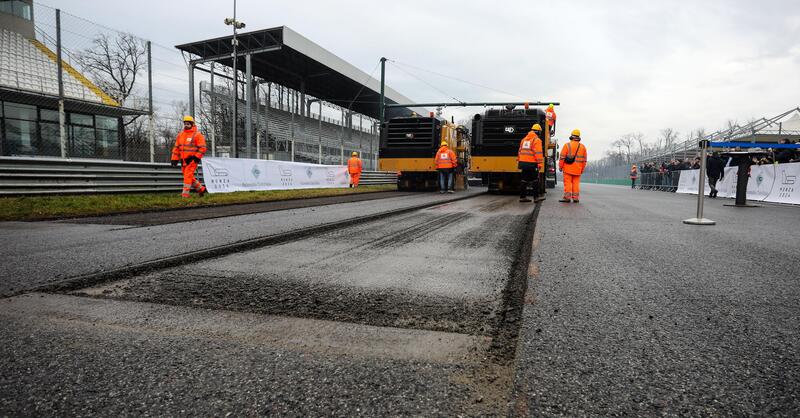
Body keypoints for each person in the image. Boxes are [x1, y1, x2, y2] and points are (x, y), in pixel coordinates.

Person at [171, 116, 207, 198]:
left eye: (188, 124)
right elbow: (176, 148)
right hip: (183, 161)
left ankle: (185, 194)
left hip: (192, 160)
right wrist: (174, 159)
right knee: (189, 176)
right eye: (185, 124)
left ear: (192, 124)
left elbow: (203, 147)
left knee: (187, 176)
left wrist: (196, 157)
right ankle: (201, 189)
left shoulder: (197, 135)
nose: (186, 125)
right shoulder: (180, 135)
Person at [518, 124, 545, 202]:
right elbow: (538, 153)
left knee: (524, 179)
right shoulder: (537, 140)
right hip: (532, 163)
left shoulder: (524, 140)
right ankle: (536, 198)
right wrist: (540, 164)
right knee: (535, 180)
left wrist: (520, 161)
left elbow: (519, 151)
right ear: (538, 131)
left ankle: (522, 197)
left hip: (523, 163)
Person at [558, 129, 587, 202]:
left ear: (571, 136)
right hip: (578, 169)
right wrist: (582, 169)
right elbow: (584, 160)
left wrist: (560, 166)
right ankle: (575, 198)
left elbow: (562, 157)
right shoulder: (583, 147)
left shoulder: (567, 145)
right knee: (576, 184)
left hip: (568, 169)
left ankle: (567, 198)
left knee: (567, 183)